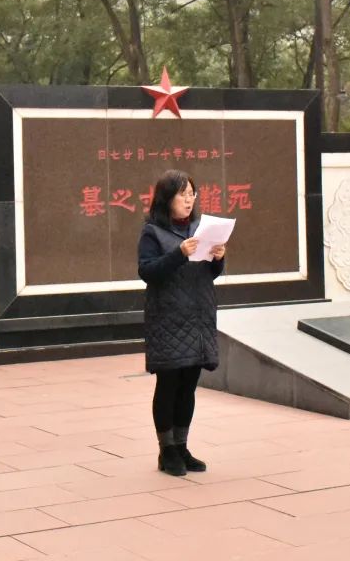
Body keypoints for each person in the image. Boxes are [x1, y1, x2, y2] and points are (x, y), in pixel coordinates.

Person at [137, 169, 226, 476]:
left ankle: (182, 446)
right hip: (168, 318)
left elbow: (210, 273)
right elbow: (147, 272)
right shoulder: (152, 232)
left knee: (188, 385)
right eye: (182, 194)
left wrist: (218, 258)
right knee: (169, 384)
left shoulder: (201, 228)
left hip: (198, 316)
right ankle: (167, 450)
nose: (189, 200)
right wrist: (178, 253)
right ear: (167, 198)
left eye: (192, 194)